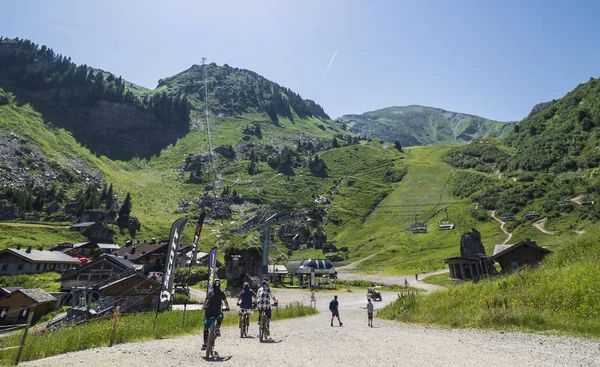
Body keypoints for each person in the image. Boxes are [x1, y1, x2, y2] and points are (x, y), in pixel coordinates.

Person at [201, 279, 230, 351]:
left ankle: (205, 343)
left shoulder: (210, 292)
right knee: (221, 315)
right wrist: (227, 308)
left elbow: (206, 301)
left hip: (208, 312)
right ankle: (217, 328)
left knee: (205, 328)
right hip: (217, 312)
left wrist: (204, 307)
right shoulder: (221, 292)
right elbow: (225, 302)